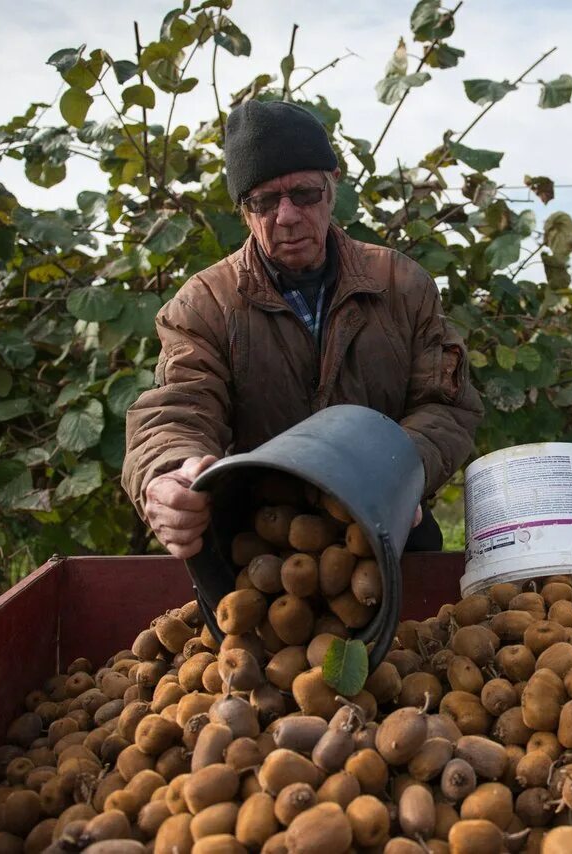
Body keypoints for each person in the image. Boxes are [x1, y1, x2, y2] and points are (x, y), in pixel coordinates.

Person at [122, 99, 483, 559]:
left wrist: (398, 471)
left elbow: (445, 404)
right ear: (244, 211)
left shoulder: (402, 284)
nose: (287, 216)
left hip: (389, 523)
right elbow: (178, 409)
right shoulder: (204, 305)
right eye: (265, 201)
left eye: (305, 194)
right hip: (263, 544)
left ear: (332, 185)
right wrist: (168, 471)